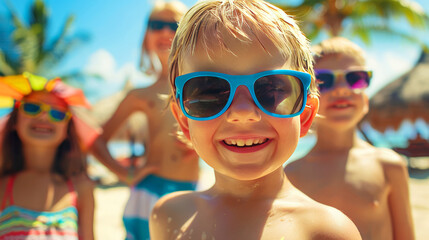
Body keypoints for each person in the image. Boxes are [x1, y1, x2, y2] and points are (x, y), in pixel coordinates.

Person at [149, 1, 362, 239]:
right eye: (209, 92)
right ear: (184, 121)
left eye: (270, 89)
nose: (242, 112)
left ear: (304, 115)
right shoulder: (167, 215)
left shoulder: (327, 232)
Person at [284, 37, 415, 240]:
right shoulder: (291, 175)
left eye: (355, 78)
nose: (341, 89)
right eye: (324, 80)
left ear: (365, 99)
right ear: (308, 100)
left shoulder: (389, 165)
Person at [89, 1, 200, 239]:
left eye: (174, 25)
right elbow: (96, 141)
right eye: (156, 25)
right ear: (146, 35)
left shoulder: (206, 86)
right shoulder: (139, 95)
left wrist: (201, 145)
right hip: (148, 192)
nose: (164, 32)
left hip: (192, 191)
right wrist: (124, 173)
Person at [0, 73, 95, 239]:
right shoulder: (1, 187)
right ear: (14, 121)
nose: (43, 116)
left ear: (68, 129)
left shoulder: (81, 189)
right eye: (32, 108)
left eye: (57, 113)